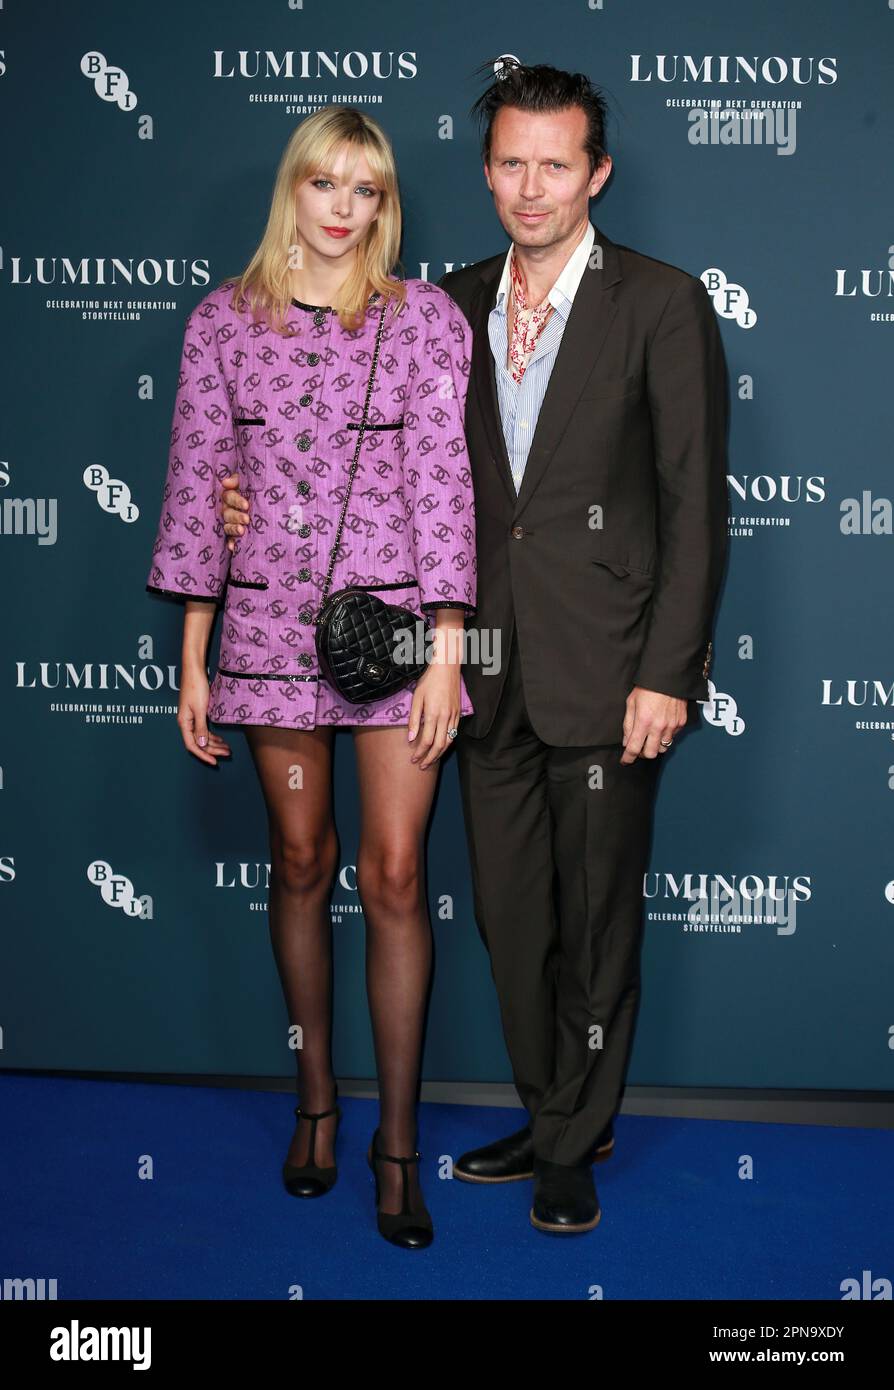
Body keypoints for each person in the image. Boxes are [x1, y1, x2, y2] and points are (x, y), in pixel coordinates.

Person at [220, 62, 729, 1237]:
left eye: (556, 163)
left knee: (598, 925)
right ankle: (555, 1107)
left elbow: (696, 506)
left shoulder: (660, 302)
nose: (531, 185)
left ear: (596, 172)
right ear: (486, 169)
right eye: (510, 162)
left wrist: (669, 670)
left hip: (610, 672)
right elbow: (357, 453)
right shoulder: (440, 302)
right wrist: (242, 497)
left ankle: (569, 1149)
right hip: (471, 670)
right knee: (511, 919)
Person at [144, 105, 477, 1249]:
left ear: (386, 207)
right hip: (268, 629)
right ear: (292, 188)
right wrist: (195, 658)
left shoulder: (425, 322)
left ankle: (396, 1142)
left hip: (389, 637)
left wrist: (445, 650)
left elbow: (444, 489)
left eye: (367, 190)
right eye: (326, 183)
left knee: (393, 874)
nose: (344, 208)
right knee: (301, 860)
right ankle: (317, 1106)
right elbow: (199, 485)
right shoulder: (221, 324)